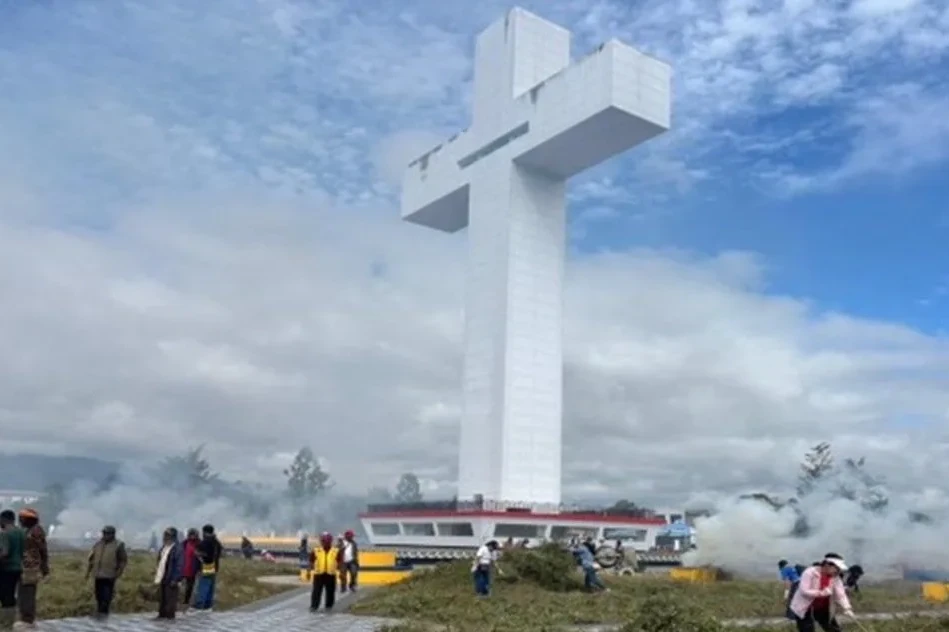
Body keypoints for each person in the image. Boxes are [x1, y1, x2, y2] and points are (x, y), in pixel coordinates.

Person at [788, 554, 855, 632]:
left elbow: (840, 594)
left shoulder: (835, 577)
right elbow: (804, 591)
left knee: (834, 629)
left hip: (823, 608)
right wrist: (822, 593)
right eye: (837, 568)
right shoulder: (810, 572)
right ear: (827, 565)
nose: (838, 571)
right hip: (804, 608)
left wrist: (847, 608)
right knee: (807, 629)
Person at [86, 525, 128, 619]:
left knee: (106, 598)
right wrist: (88, 572)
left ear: (113, 534)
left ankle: (103, 615)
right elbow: (92, 558)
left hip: (109, 575)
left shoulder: (118, 545)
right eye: (104, 533)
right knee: (98, 596)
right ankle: (100, 613)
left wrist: (118, 573)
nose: (106, 535)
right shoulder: (98, 544)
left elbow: (123, 560)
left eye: (108, 534)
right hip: (98, 575)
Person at [17, 507, 49, 627]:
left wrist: (45, 569)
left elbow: (43, 551)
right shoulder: (28, 530)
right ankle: (25, 618)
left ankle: (28, 620)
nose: (20, 520)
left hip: (30, 567)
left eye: (22, 518)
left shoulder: (35, 531)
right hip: (25, 566)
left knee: (28, 593)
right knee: (23, 593)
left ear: (28, 519)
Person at [0, 510, 24, 630]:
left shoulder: (4, 534)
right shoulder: (21, 533)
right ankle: (9, 623)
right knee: (11, 594)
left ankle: (6, 623)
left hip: (6, 568)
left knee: (5, 595)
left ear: (4, 519)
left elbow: (4, 552)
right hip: (18, 568)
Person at [154, 527, 184, 620]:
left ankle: (170, 619)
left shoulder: (177, 549)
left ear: (173, 537)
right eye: (165, 535)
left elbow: (179, 565)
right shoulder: (164, 547)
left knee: (170, 600)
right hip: (163, 576)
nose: (165, 537)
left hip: (172, 578)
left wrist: (175, 579)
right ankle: (161, 616)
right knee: (163, 598)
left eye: (168, 535)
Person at [193, 524, 222, 611]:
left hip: (206, 566)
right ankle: (208, 605)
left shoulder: (206, 542)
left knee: (203, 585)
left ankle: (199, 605)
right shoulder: (216, 542)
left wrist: (198, 553)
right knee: (210, 586)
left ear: (204, 532)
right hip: (214, 566)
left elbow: (204, 554)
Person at [309, 532, 338, 612]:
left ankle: (329, 605)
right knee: (316, 591)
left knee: (330, 591)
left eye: (326, 541)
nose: (324, 543)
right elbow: (311, 561)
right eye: (323, 541)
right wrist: (309, 571)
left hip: (330, 574)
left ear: (330, 541)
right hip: (318, 574)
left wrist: (342, 572)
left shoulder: (335, 551)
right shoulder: (316, 550)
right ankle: (314, 606)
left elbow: (340, 562)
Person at [180, 528, 200, 610]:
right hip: (183, 566)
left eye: (194, 535)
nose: (192, 536)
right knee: (181, 584)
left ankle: (186, 601)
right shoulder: (184, 543)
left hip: (193, 568)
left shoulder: (199, 544)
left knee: (190, 585)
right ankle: (180, 599)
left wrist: (199, 568)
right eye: (191, 535)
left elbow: (201, 557)